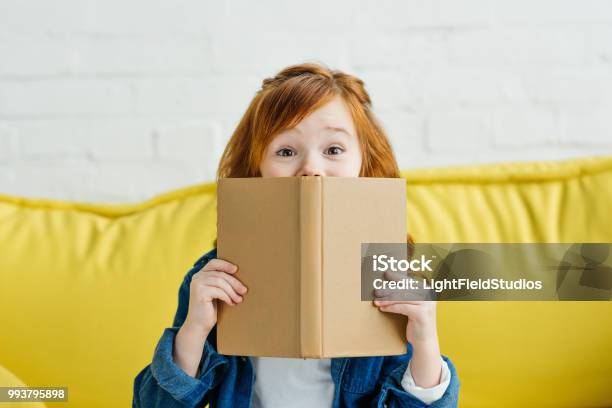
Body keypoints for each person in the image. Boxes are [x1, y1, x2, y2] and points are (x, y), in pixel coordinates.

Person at [133, 63, 460, 407]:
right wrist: (193, 333)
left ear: (365, 164)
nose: (311, 169)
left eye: (333, 150)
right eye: (286, 151)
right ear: (255, 169)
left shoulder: (391, 275)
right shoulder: (213, 279)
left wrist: (425, 342)